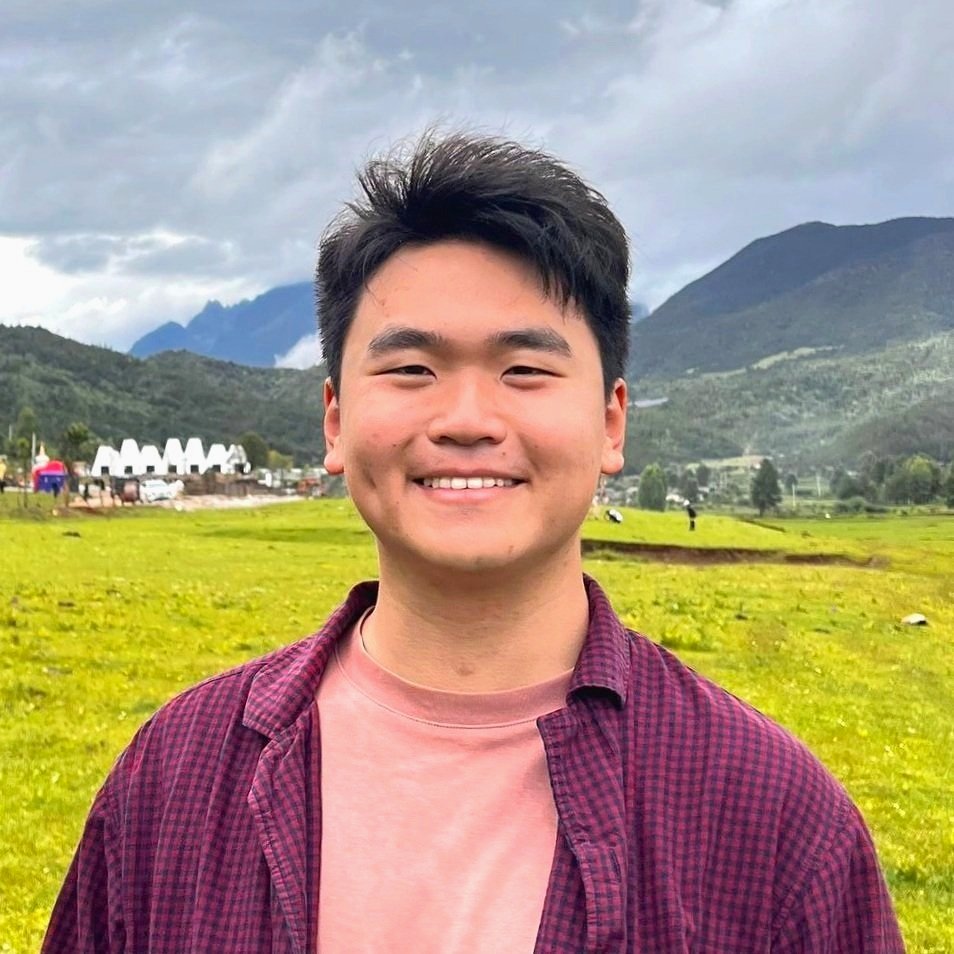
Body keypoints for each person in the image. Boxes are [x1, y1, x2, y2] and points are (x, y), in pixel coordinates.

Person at [44, 132, 903, 952]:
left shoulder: (774, 819)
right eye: (411, 370)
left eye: (524, 370)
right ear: (335, 421)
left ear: (611, 422)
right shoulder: (175, 777)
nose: (465, 420)